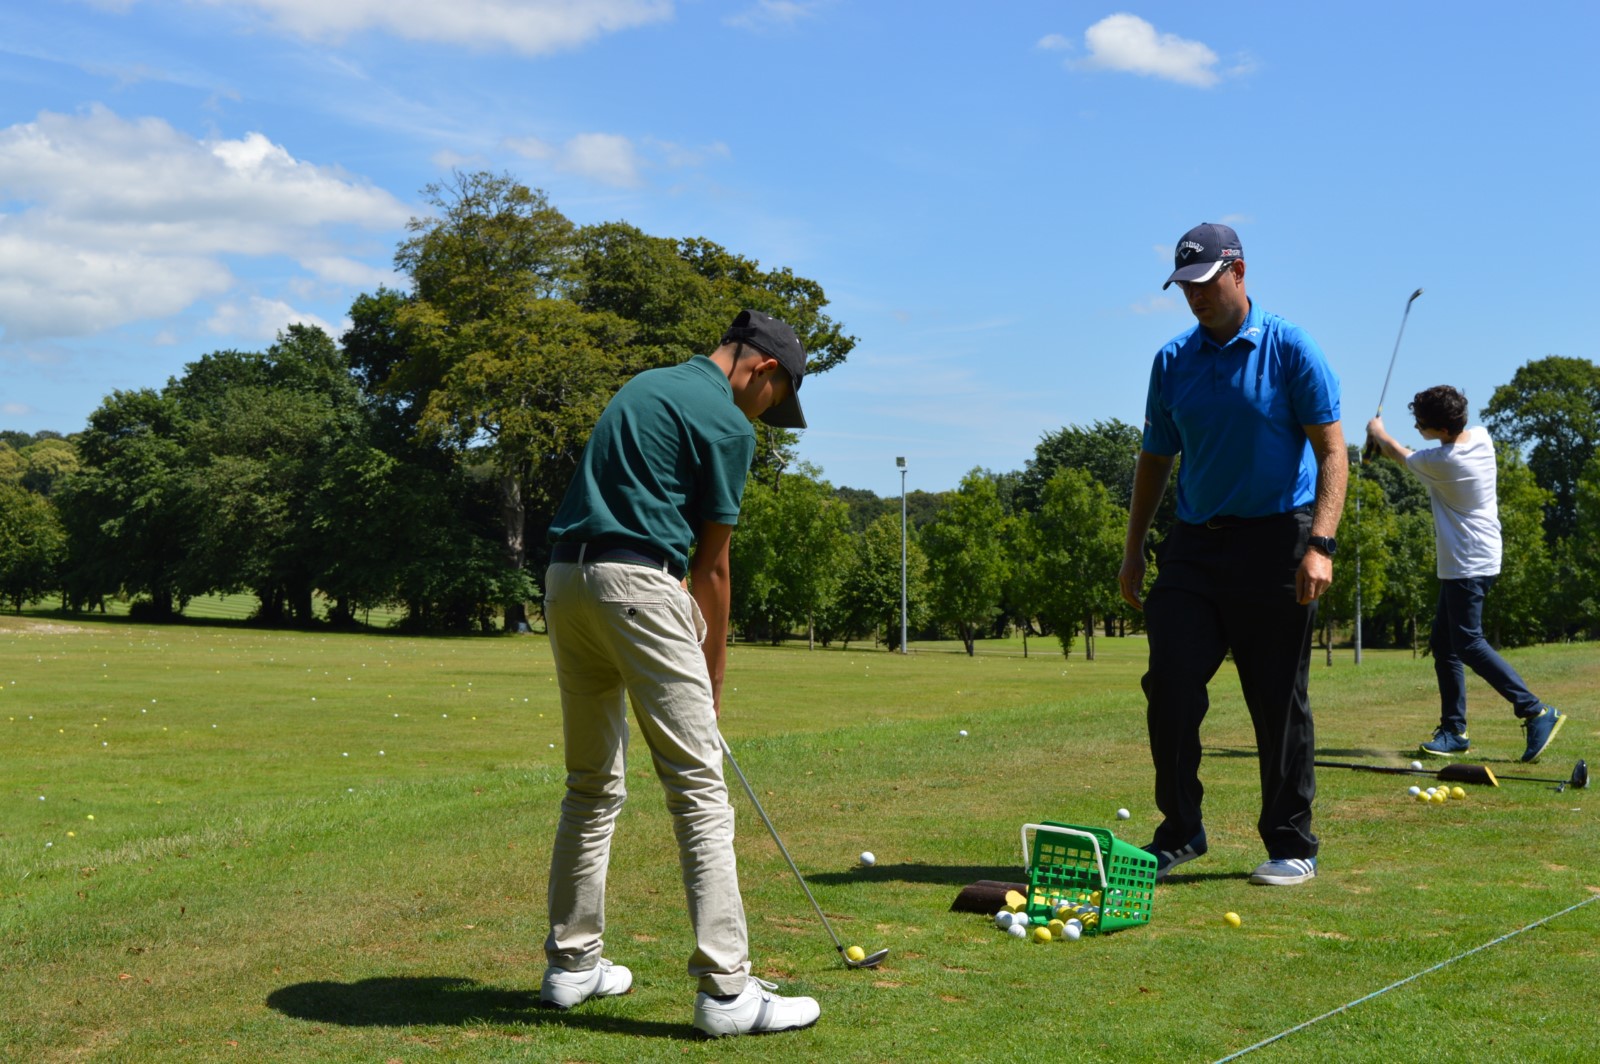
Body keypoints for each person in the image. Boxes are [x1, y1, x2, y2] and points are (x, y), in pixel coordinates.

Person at [537, 309, 821, 1038]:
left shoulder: (647, 384)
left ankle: (573, 966)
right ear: (762, 370)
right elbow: (713, 567)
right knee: (698, 789)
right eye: (777, 397)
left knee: (590, 784)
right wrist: (714, 679)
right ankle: (727, 991)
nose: (769, 412)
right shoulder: (730, 425)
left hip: (567, 582)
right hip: (639, 586)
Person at [1118, 222, 1347, 888]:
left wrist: (1320, 544)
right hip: (1194, 545)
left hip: (1278, 539)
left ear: (1238, 272)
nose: (1195, 298)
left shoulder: (1289, 347)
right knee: (1170, 684)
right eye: (1184, 287)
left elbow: (1333, 452)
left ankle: (1290, 842)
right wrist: (1134, 549)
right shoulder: (1172, 361)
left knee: (1276, 698)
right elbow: (1156, 458)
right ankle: (1180, 831)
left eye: (1205, 284)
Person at [1366, 385, 1565, 762]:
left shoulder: (1445, 462)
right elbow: (1410, 453)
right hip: (1476, 556)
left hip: (1467, 562)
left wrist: (1378, 434)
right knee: (1445, 644)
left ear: (1441, 429)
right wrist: (1385, 441)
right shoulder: (1481, 438)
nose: (1417, 425)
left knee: (1468, 644)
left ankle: (1535, 711)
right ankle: (1454, 731)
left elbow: (1399, 453)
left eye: (1421, 422)